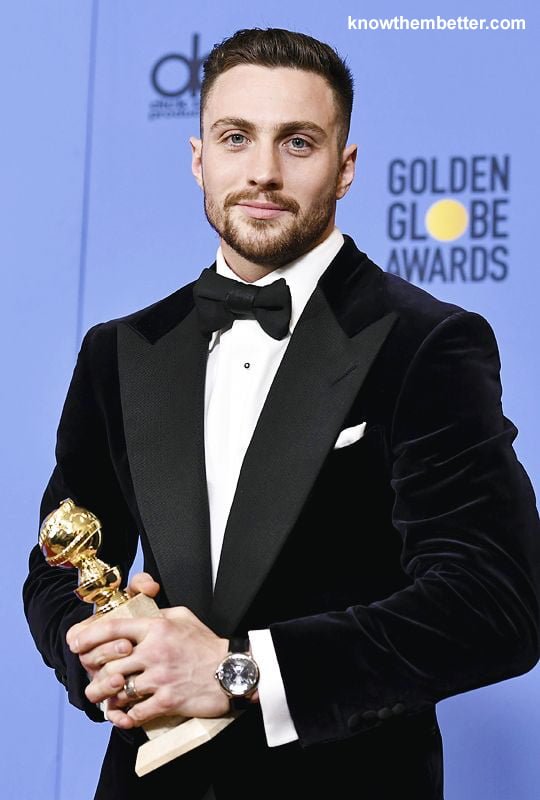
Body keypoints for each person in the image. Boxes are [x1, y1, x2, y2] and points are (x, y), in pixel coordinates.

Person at [23, 27, 540, 800]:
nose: (262, 171)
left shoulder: (426, 343)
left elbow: (494, 602)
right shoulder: (119, 350)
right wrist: (101, 656)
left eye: (298, 142)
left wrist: (238, 672)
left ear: (345, 166)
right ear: (199, 157)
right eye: (236, 138)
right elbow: (59, 567)